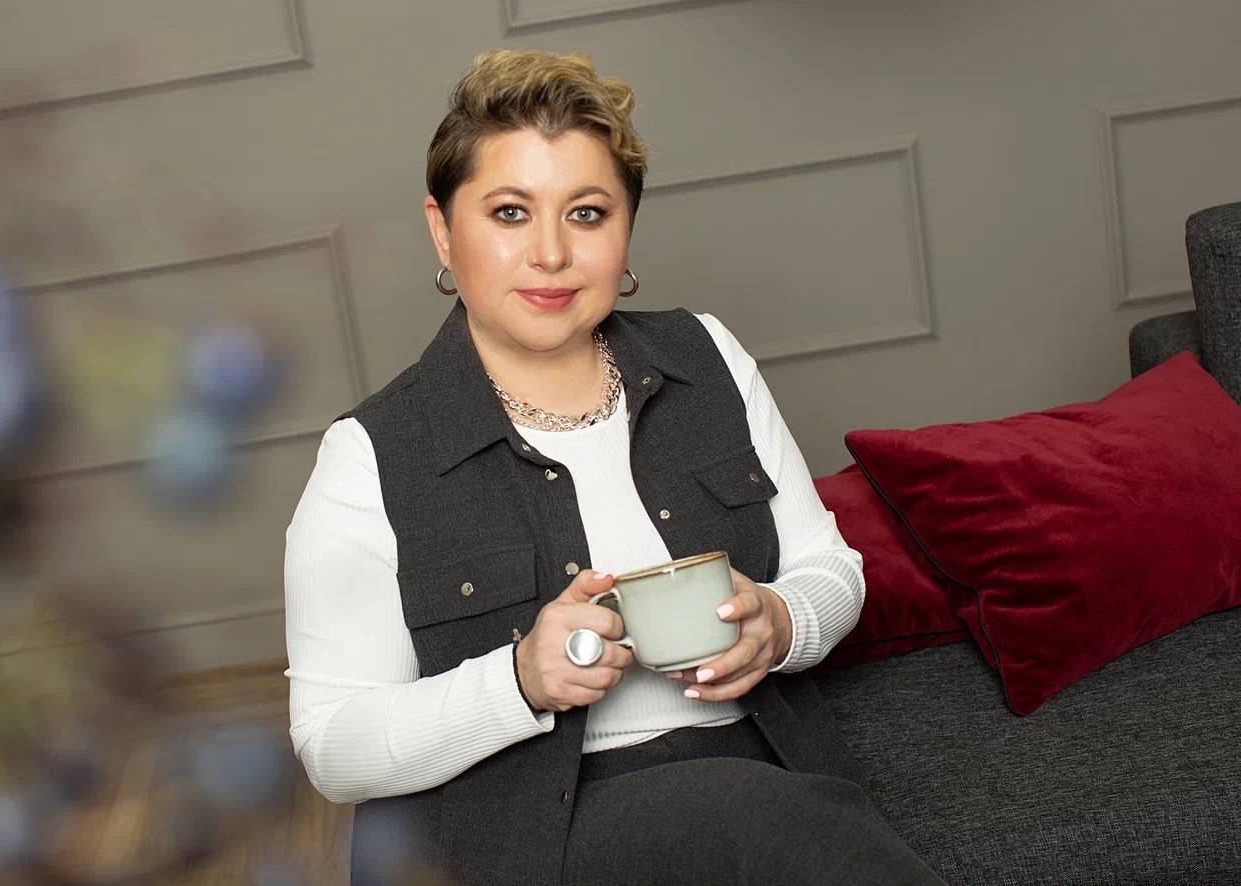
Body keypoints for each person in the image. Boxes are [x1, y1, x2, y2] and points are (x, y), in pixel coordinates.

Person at [284, 48, 947, 886]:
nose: (551, 254)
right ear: (443, 230)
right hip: (529, 831)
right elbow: (333, 746)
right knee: (756, 817)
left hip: (758, 762)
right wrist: (519, 680)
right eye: (510, 213)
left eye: (588, 214)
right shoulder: (370, 454)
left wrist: (779, 621)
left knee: (762, 813)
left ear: (626, 229)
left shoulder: (705, 357)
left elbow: (830, 568)